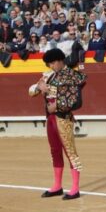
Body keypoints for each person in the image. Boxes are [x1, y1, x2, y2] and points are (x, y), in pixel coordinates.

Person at [28, 49, 87, 200]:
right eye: (49, 64)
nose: (51, 66)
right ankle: (57, 186)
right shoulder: (49, 75)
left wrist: (57, 106)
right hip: (51, 119)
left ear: (61, 60)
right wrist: (39, 87)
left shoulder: (72, 75)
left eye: (53, 63)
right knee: (55, 151)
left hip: (63, 118)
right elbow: (31, 91)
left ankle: (75, 188)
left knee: (70, 152)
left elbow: (75, 101)